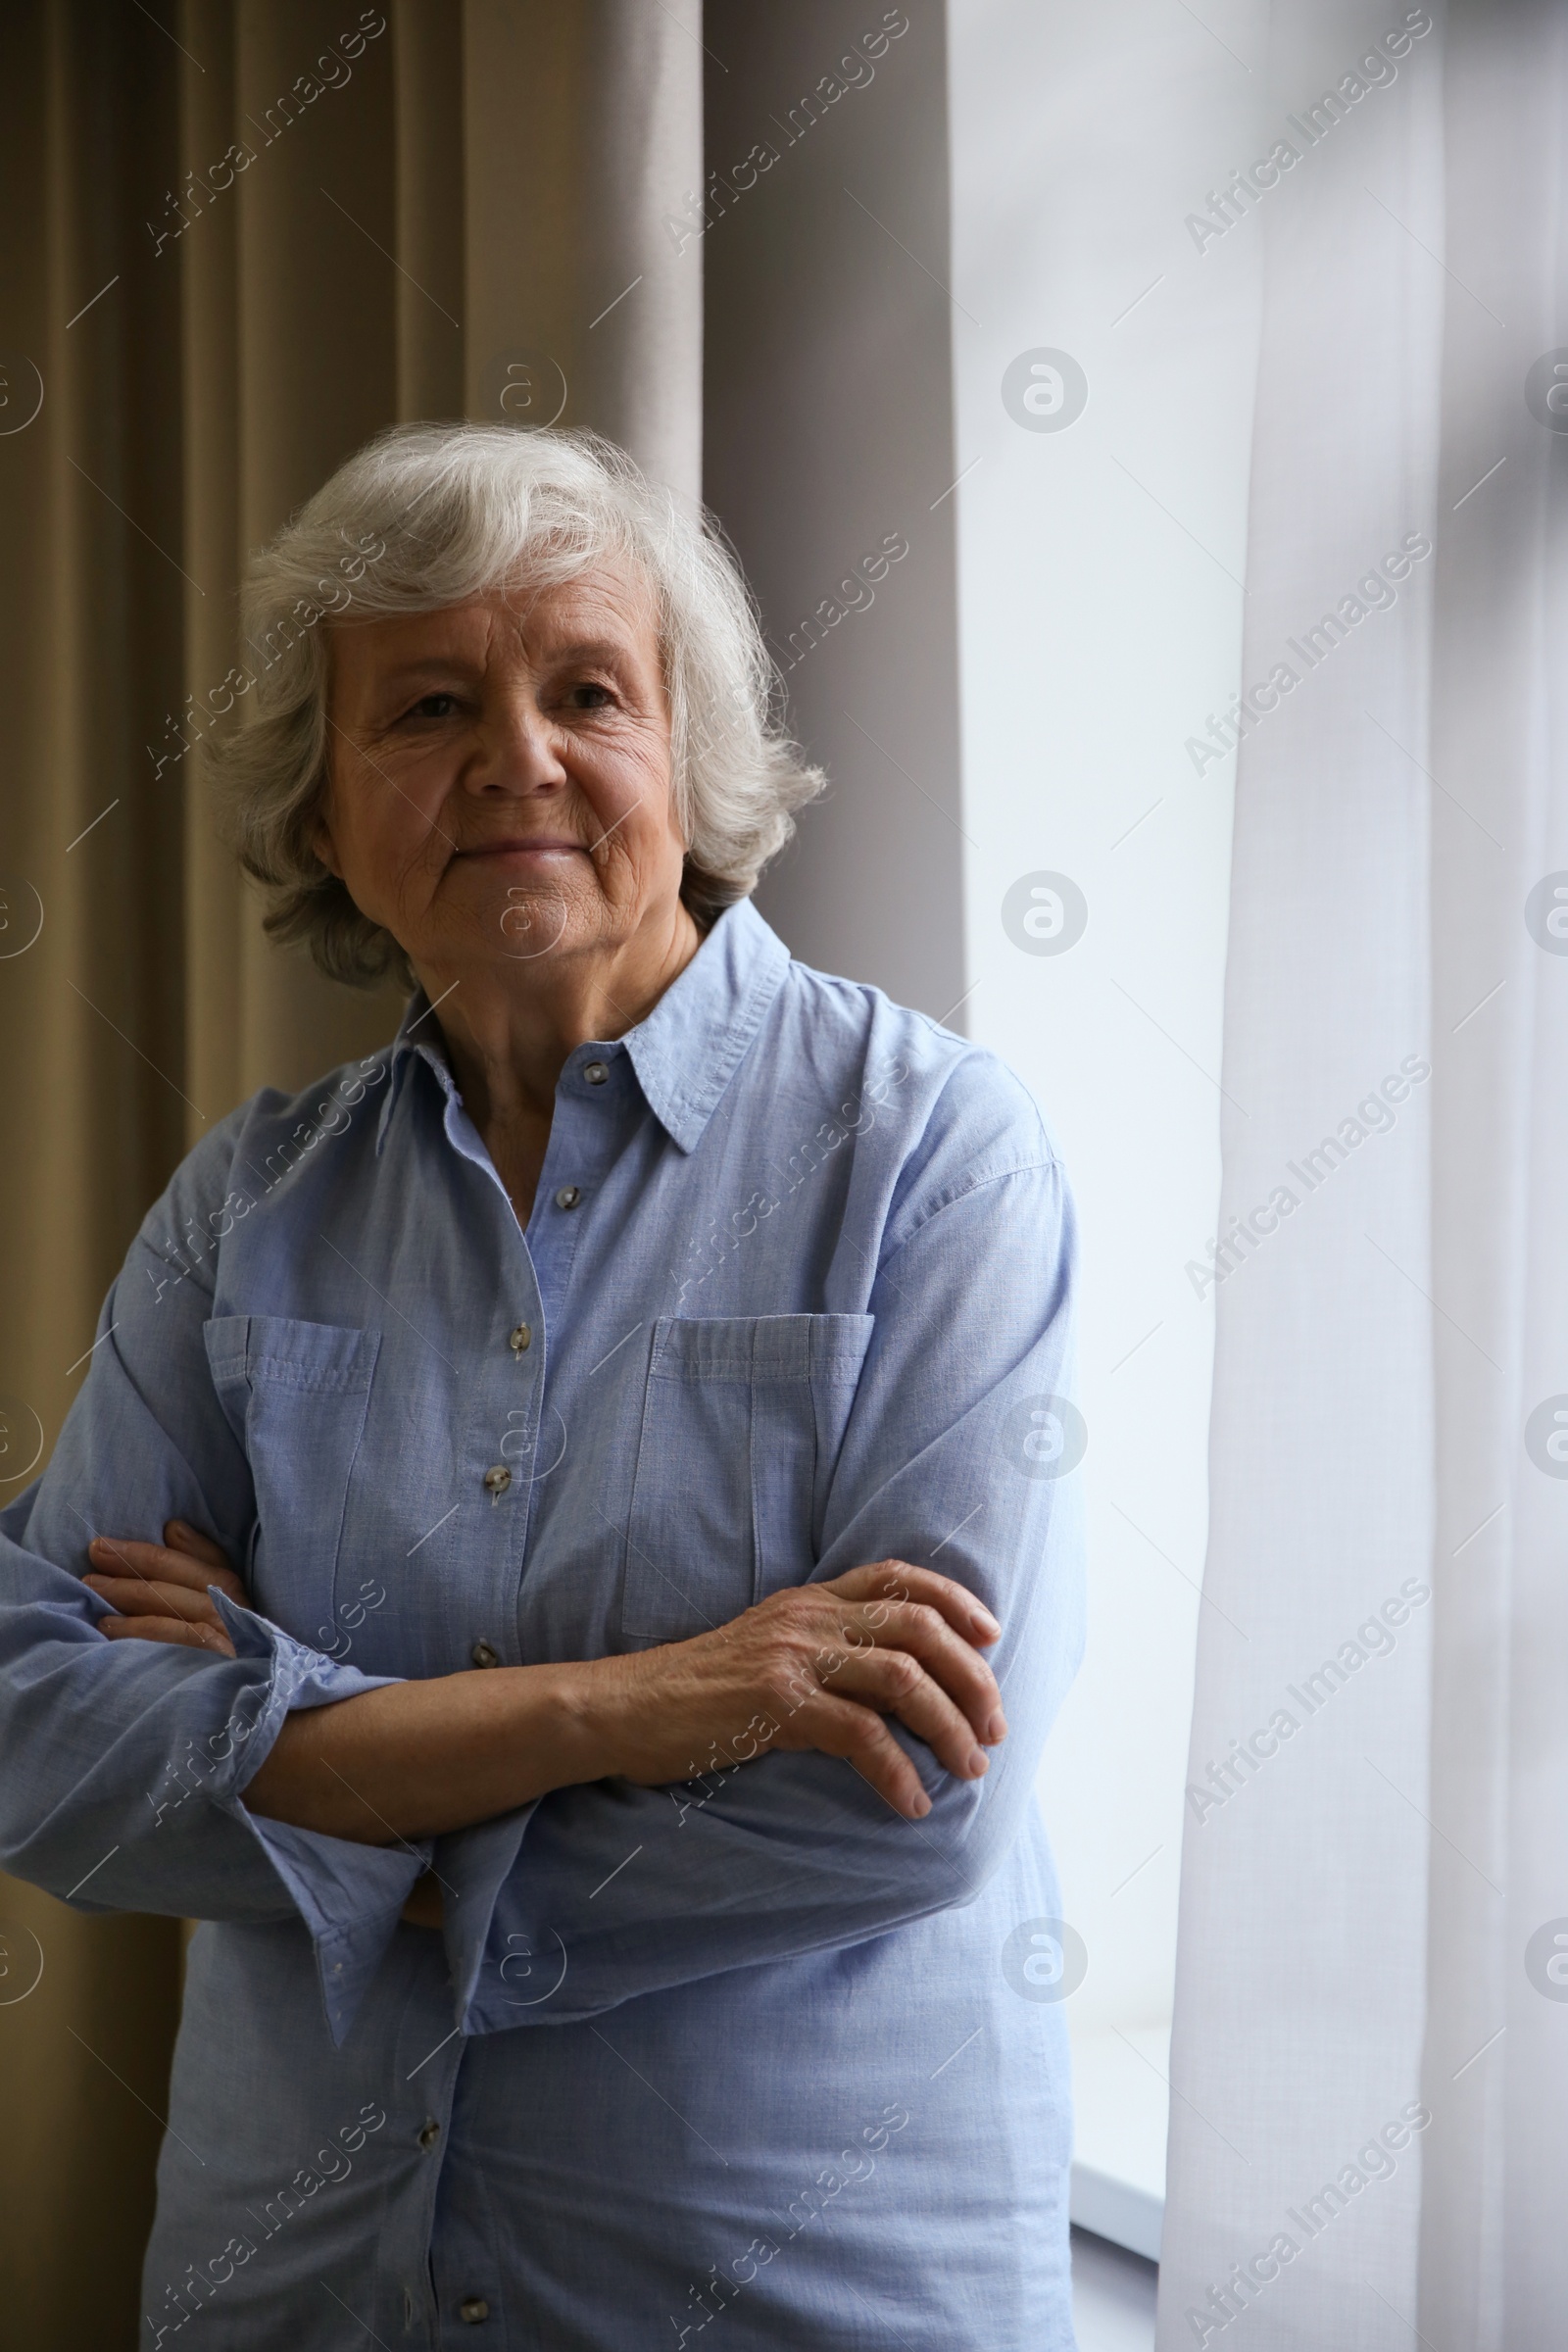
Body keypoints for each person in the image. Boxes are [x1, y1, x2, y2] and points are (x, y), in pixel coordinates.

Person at [0, 423, 1085, 2349]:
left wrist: (301, 1753)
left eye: (585, 690)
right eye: (424, 706)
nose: (516, 758)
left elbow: (908, 1799)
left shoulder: (928, 1153)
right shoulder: (241, 1204)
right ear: (326, 808)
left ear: (688, 755)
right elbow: (41, 1743)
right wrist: (630, 1704)